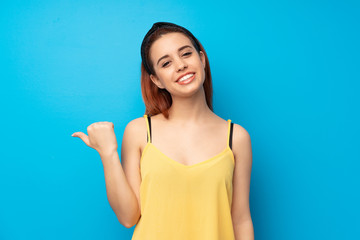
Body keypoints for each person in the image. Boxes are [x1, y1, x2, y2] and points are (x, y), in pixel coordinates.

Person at [72, 22, 254, 240]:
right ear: (156, 79)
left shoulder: (236, 138)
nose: (180, 65)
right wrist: (108, 153)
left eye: (186, 54)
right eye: (166, 63)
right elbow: (128, 217)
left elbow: (240, 219)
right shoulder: (139, 131)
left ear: (202, 59)